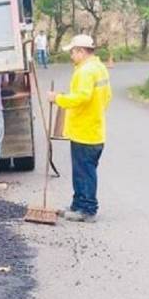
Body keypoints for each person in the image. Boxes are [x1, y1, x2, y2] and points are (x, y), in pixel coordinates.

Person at [48, 34, 112, 223]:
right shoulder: (99, 68)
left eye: (73, 52)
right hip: (94, 128)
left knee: (85, 171)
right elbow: (107, 97)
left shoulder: (85, 71)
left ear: (82, 51)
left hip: (85, 131)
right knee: (81, 170)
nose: (71, 56)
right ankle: (77, 204)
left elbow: (82, 97)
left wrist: (58, 98)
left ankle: (87, 209)